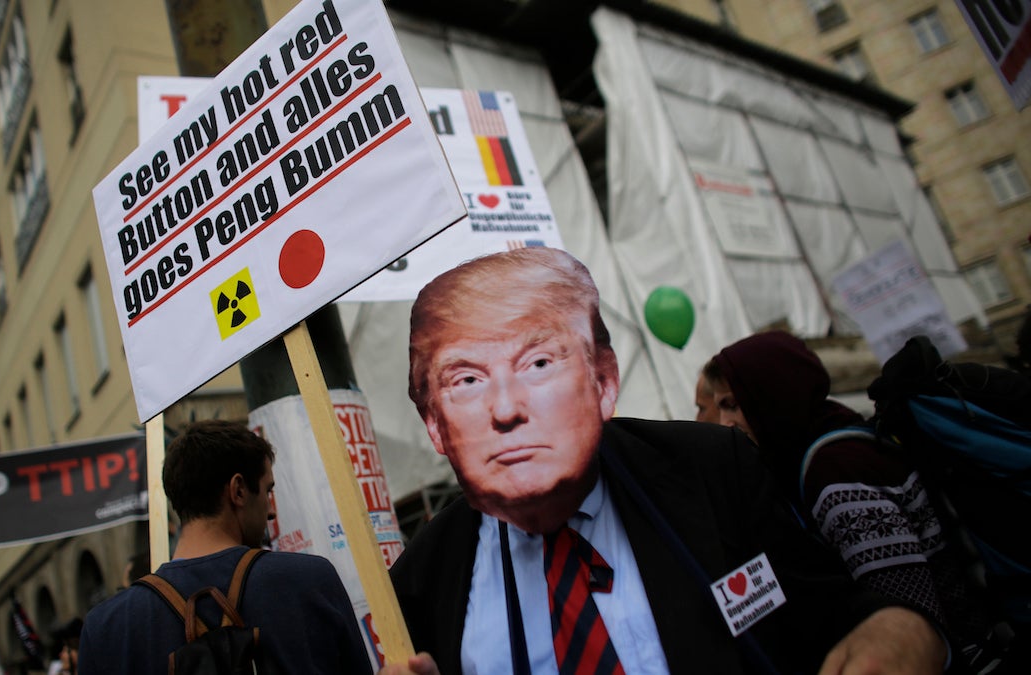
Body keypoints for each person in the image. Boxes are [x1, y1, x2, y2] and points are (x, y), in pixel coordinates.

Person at [391, 247, 946, 675]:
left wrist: (900, 630)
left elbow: (834, 611)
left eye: (538, 362)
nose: (507, 408)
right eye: (466, 379)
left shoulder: (712, 473)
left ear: (604, 381)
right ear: (435, 425)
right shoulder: (425, 579)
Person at [703, 331, 1008, 672]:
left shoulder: (837, 474)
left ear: (771, 394)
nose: (725, 422)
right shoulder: (836, 436)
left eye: (732, 404)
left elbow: (907, 614)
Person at [78, 419, 375, 675]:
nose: (271, 511)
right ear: (238, 490)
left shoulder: (106, 628)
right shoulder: (310, 580)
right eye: (268, 491)